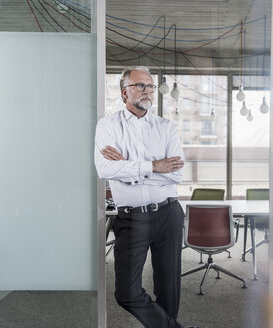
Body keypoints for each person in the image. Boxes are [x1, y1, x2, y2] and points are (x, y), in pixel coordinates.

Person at [95, 66, 196, 328]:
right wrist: (153, 166)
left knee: (168, 287)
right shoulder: (108, 125)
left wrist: (127, 165)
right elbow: (105, 169)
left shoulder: (166, 127)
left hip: (168, 213)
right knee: (126, 293)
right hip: (131, 218)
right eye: (140, 86)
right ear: (124, 91)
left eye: (150, 86)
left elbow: (177, 174)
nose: (147, 91)